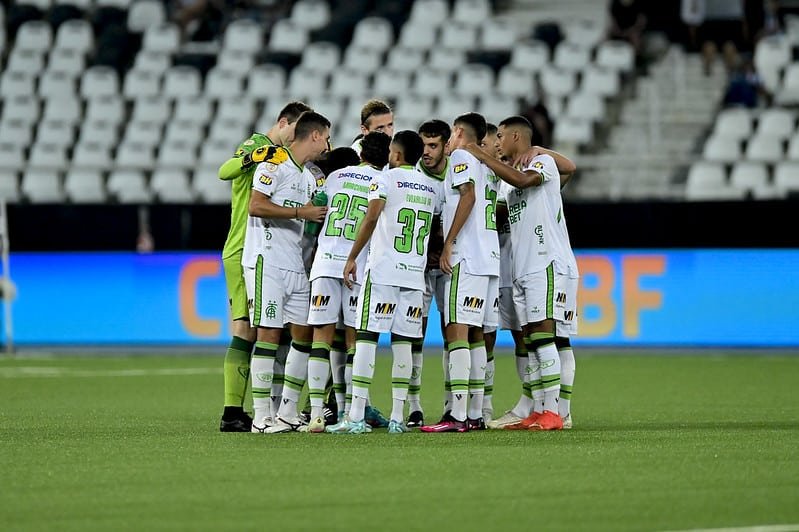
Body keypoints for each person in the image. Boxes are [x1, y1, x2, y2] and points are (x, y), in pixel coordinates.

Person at [463, 115, 577, 431]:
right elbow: (497, 210)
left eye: (500, 136)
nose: (497, 143)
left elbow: (532, 179)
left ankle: (555, 413)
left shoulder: (542, 165)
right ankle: (541, 410)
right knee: (534, 339)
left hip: (548, 263)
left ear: (516, 136)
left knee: (549, 339)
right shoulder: (508, 185)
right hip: (525, 268)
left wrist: (482, 155)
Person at [328, 130, 444, 434]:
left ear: (396, 154)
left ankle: (354, 415)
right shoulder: (432, 187)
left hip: (382, 271)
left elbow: (371, 217)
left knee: (366, 337)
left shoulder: (385, 179)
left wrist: (352, 256)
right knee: (403, 342)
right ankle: (396, 416)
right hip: (413, 275)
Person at [216, 100, 311, 432]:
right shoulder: (259, 145)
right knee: (245, 329)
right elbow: (224, 171)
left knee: (274, 328)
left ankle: (270, 408)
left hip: (270, 252)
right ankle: (232, 411)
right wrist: (253, 156)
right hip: (243, 246)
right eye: (294, 130)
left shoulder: (290, 161)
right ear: (283, 122)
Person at [240, 111, 331, 433]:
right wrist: (299, 212)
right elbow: (256, 205)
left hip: (294, 262)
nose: (327, 146)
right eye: (327, 138)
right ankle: (262, 417)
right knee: (267, 333)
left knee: (304, 332)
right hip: (266, 259)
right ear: (315, 135)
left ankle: (288, 411)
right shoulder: (272, 166)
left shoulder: (309, 176)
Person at [305, 132, 391, 431]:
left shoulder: (337, 176)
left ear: (361, 151)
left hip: (326, 262)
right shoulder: (384, 181)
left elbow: (315, 208)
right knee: (356, 341)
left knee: (321, 338)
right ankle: (349, 412)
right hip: (358, 267)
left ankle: (317, 412)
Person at [420, 113, 500, 433]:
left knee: (456, 332)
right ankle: (476, 413)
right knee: (477, 334)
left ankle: (457, 415)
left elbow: (468, 195)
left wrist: (450, 242)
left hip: (466, 257)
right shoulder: (487, 165)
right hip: (489, 258)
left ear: (456, 132)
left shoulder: (462, 156)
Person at [408, 119, 451, 428]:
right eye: (423, 145)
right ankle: (413, 404)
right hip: (419, 268)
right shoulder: (412, 176)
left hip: (450, 265)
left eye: (433, 145)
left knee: (455, 334)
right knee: (415, 335)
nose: (427, 151)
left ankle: (454, 405)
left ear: (446, 146)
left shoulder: (459, 175)